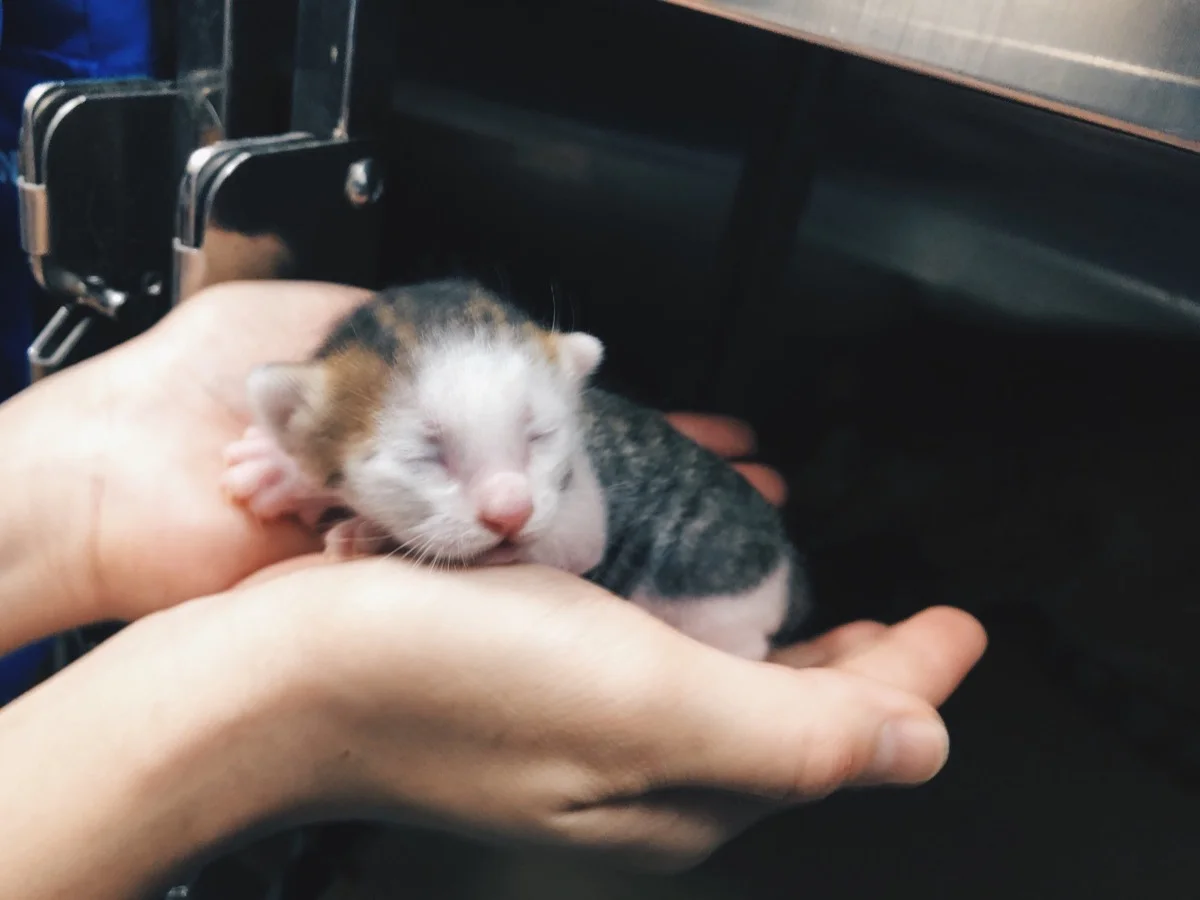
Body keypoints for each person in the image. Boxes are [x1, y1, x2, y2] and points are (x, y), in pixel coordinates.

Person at [0, 280, 987, 900]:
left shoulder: (540, 483)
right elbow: (330, 429)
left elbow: (570, 542)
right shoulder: (322, 425)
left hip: (719, 586)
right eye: (428, 456)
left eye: (541, 436)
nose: (512, 502)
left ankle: (738, 639)